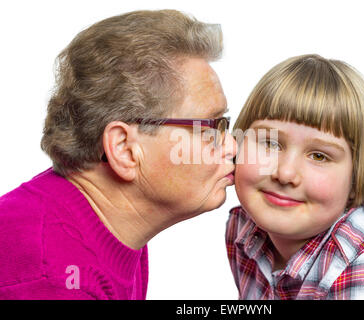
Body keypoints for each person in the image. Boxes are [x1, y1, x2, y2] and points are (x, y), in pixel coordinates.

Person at [0, 10, 236, 299]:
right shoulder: (53, 280)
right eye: (208, 128)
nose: (232, 147)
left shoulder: (106, 223)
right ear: (124, 149)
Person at [225, 54, 364, 299]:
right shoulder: (242, 227)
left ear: (357, 177)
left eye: (319, 156)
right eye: (270, 143)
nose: (285, 173)